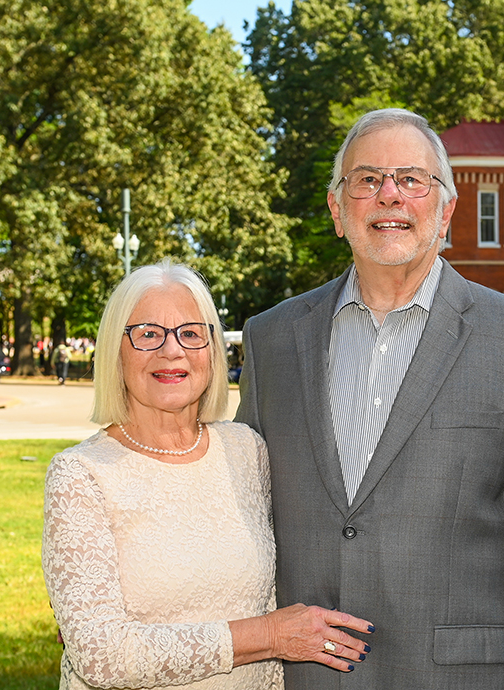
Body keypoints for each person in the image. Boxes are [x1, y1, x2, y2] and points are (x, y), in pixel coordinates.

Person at [235, 108, 504, 688]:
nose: (390, 196)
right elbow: (244, 520)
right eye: (368, 179)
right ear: (336, 208)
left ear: (445, 208)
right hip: (308, 675)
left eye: (411, 179)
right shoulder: (272, 339)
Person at [42, 260, 374, 690]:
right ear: (114, 350)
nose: (172, 351)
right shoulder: (81, 475)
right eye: (147, 334)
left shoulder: (245, 450)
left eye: (191, 333)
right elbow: (102, 655)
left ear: (212, 350)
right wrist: (272, 635)